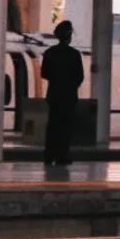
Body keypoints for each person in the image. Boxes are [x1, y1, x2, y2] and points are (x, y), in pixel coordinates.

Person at [40, 20, 84, 167]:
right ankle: (62, 156)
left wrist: (56, 80)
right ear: (69, 36)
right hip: (69, 97)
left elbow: (44, 73)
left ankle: (48, 155)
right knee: (65, 127)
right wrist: (70, 86)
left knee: (53, 126)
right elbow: (80, 76)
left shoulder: (49, 53)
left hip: (53, 96)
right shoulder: (74, 55)